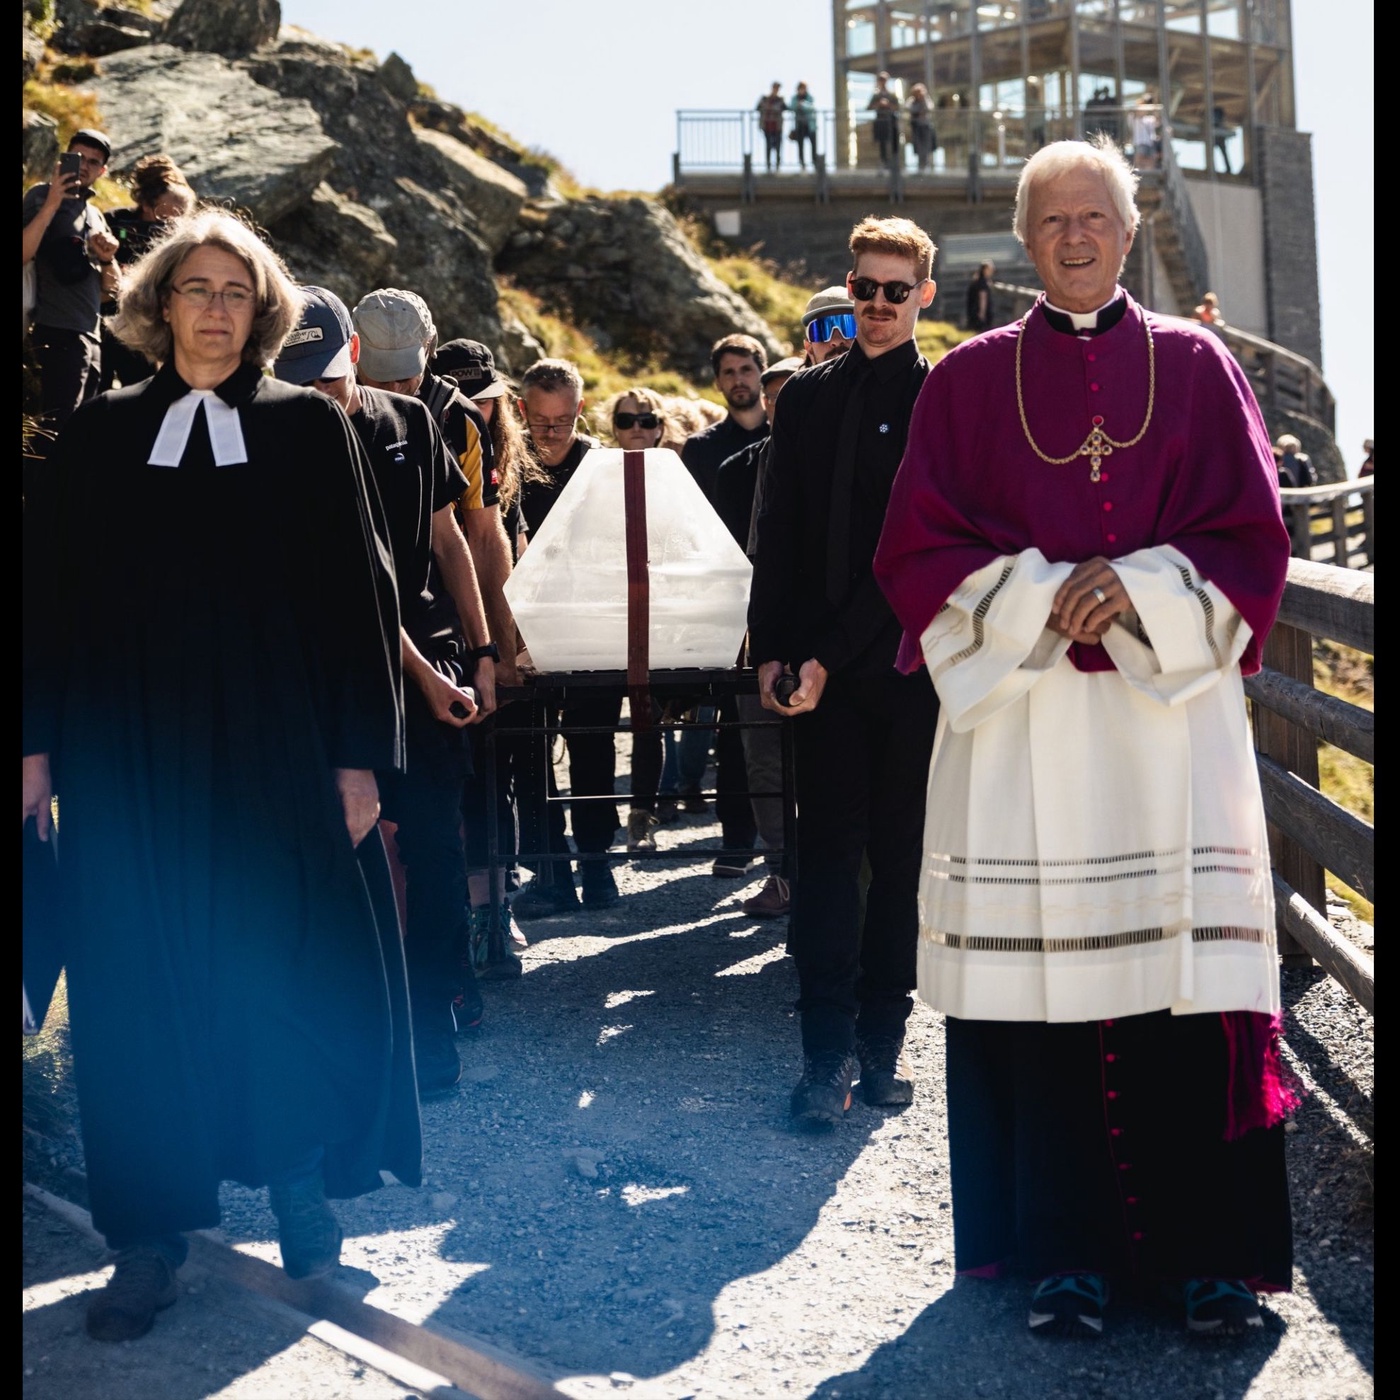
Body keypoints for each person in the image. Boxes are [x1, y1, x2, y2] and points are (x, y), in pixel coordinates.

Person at [873, 135, 1295, 1340]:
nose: (1073, 235)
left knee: (1186, 990)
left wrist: (1143, 588)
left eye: (1094, 217)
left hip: (1168, 733)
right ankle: (1063, 1253)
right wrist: (1036, 597)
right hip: (1028, 726)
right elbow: (913, 545)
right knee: (1047, 1003)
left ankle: (1208, 1257)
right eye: (1050, 218)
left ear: (1123, 232)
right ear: (1023, 238)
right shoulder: (962, 384)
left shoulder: (1200, 366)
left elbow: (1249, 536)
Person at [22, 209, 418, 1342]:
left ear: (262, 311)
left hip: (274, 751)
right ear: (156, 303)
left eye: (233, 291)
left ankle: (296, 1182)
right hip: (126, 753)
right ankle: (145, 1238)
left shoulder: (306, 430)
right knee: (132, 987)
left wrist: (359, 761)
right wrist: (33, 747)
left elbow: (360, 603)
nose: (211, 308)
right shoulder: (96, 433)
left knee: (277, 964)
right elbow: (43, 597)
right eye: (193, 287)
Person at [274, 287, 496, 1095]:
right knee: (337, 854)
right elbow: (350, 589)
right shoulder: (276, 444)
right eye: (299, 382)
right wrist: (430, 676)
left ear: (356, 358)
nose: (319, 398)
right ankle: (353, 1028)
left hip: (427, 671)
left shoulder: (410, 424)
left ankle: (433, 1018)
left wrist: (482, 649)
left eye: (328, 380)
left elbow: (448, 537)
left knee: (437, 848)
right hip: (332, 678)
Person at [750, 216, 941, 1129]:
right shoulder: (807, 398)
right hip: (813, 677)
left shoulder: (941, 401)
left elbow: (917, 553)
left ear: (924, 296)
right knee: (824, 862)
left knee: (895, 863)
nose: (875, 305)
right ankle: (822, 1057)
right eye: (863, 288)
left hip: (902, 670)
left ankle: (881, 1047)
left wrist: (825, 655)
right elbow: (776, 533)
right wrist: (773, 653)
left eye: (894, 291)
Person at [351, 290, 514, 698]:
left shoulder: (459, 419)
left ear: (430, 347)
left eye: (406, 374)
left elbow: (483, 537)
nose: (396, 387)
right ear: (353, 354)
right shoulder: (330, 407)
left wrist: (498, 656)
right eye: (380, 374)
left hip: (439, 626)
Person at [509, 358, 624, 917]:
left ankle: (598, 866)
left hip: (591, 626)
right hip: (525, 629)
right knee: (530, 754)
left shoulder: (599, 468)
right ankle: (550, 868)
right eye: (540, 422)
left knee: (593, 747)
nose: (551, 435)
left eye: (562, 422)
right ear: (522, 412)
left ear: (580, 412)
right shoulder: (510, 465)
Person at [714, 356, 804, 918]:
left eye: (787, 395)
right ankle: (781, 870)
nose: (777, 406)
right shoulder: (736, 468)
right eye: (771, 398)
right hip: (753, 629)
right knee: (763, 759)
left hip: (815, 632)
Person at [682, 334, 772, 872]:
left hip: (778, 586)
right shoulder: (702, 450)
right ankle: (737, 840)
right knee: (733, 725)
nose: (739, 379)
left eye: (746, 369)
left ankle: (786, 844)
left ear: (761, 373)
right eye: (728, 371)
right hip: (726, 595)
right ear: (717, 381)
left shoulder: (790, 429)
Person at [23, 128, 122, 428]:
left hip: (90, 336)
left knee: (77, 432)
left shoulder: (96, 214)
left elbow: (112, 291)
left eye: (94, 161)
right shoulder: (41, 195)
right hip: (57, 329)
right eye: (78, 156)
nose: (84, 165)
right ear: (64, 157)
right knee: (55, 429)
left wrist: (107, 258)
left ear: (102, 171)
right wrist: (53, 201)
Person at [101, 154, 197, 391]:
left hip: (147, 326)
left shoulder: (185, 241)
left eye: (180, 218)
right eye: (165, 217)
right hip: (103, 318)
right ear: (145, 204)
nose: (170, 227)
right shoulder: (114, 222)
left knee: (142, 391)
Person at [867, 72, 901, 170]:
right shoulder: (876, 95)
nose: (882, 81)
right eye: (881, 79)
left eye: (884, 79)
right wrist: (879, 104)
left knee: (894, 142)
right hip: (881, 120)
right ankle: (884, 162)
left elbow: (897, 107)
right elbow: (869, 107)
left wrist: (888, 105)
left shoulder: (892, 94)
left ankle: (895, 162)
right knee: (882, 142)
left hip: (891, 120)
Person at [757, 82, 787, 172]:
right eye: (775, 88)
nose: (776, 90)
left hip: (777, 126)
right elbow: (758, 108)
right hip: (767, 126)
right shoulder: (765, 98)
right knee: (768, 146)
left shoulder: (780, 99)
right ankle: (768, 165)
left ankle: (777, 165)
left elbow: (785, 108)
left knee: (778, 146)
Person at [908, 83, 935, 172]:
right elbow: (908, 108)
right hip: (916, 127)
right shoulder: (911, 101)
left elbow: (930, 108)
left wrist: (923, 99)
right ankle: (920, 166)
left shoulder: (926, 100)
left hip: (925, 126)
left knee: (926, 145)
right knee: (918, 146)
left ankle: (927, 165)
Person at [791, 81, 818, 170]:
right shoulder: (795, 98)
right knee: (800, 144)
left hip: (810, 125)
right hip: (800, 125)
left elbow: (811, 107)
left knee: (813, 144)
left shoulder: (809, 98)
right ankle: (802, 162)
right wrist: (798, 105)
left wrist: (802, 104)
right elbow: (792, 107)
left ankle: (815, 161)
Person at [1131, 92, 1160, 170]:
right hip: (1140, 143)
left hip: (1149, 143)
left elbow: (1157, 121)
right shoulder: (1134, 118)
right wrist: (1144, 100)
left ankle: (1148, 177)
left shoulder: (1149, 119)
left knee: (1151, 162)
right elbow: (1136, 111)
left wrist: (1154, 105)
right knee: (1139, 162)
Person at [965, 261, 995, 332]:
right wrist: (982, 313)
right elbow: (983, 298)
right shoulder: (982, 283)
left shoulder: (976, 280)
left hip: (973, 311)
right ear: (985, 270)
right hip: (979, 312)